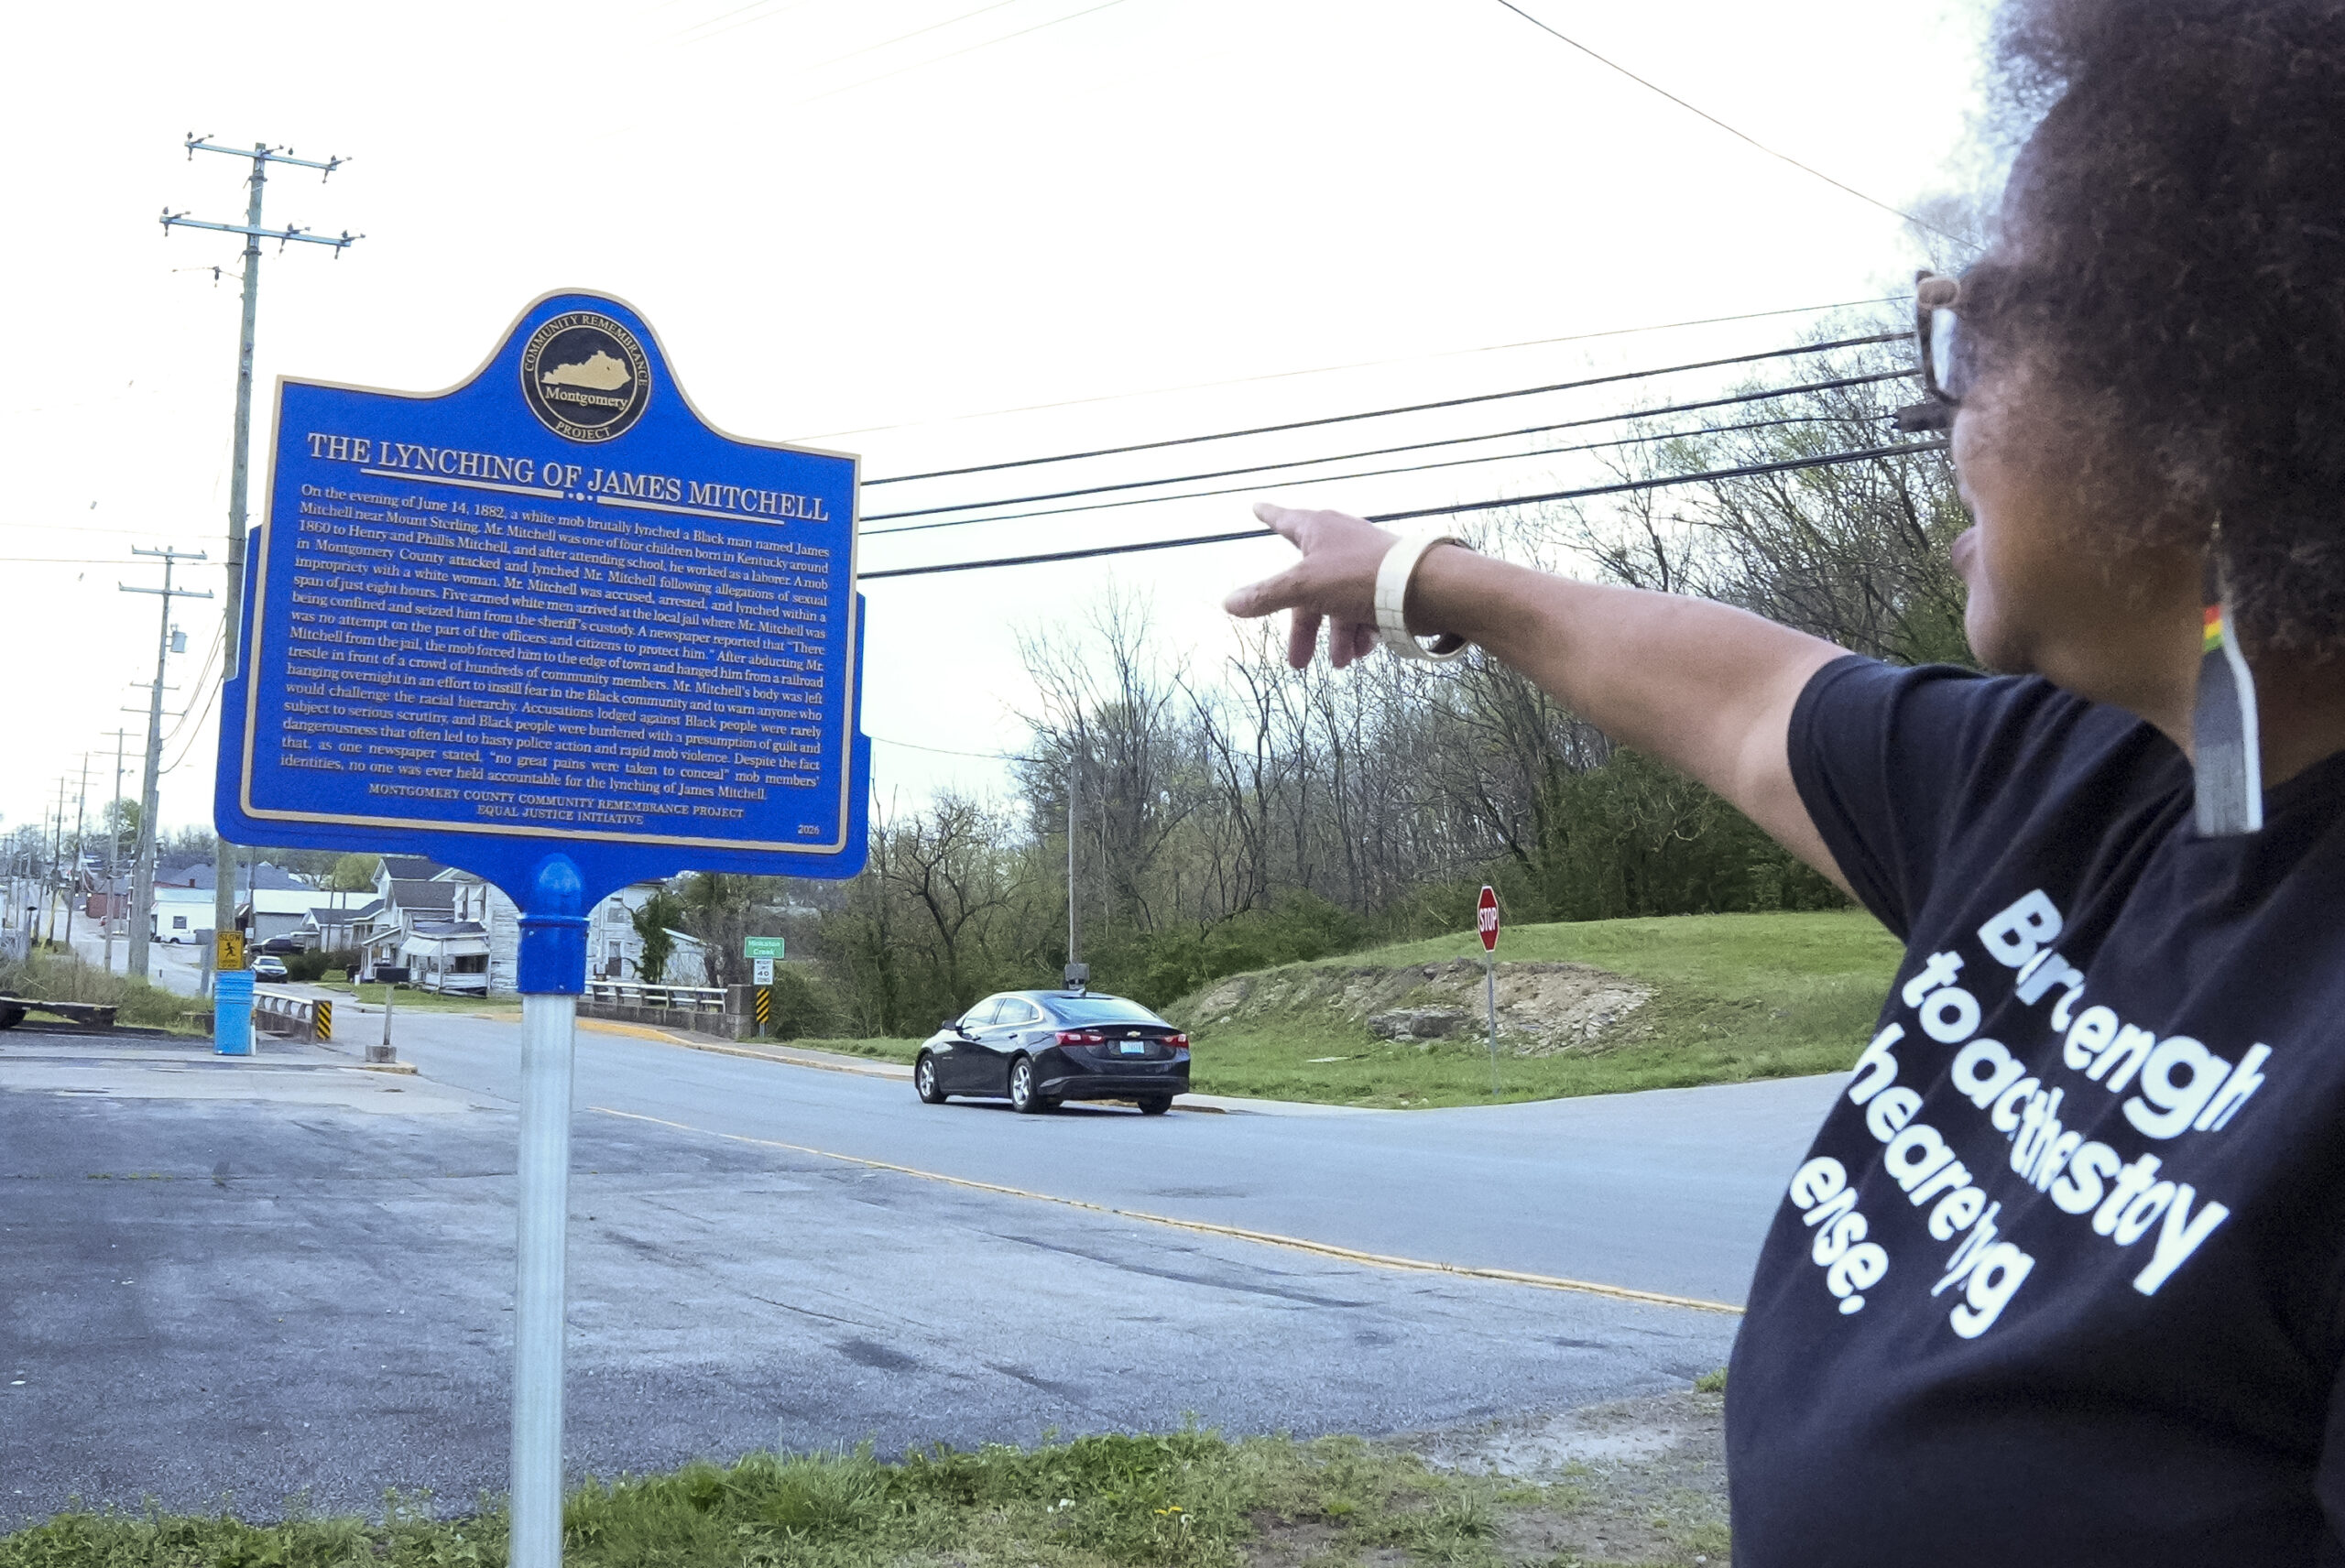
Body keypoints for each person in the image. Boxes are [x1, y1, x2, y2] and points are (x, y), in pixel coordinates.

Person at [1223, 0, 2345, 1560]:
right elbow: (1747, 701)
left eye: (1988, 330)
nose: (1935, 404)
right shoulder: (2077, 782)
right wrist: (1417, 571)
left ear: (2215, 403)